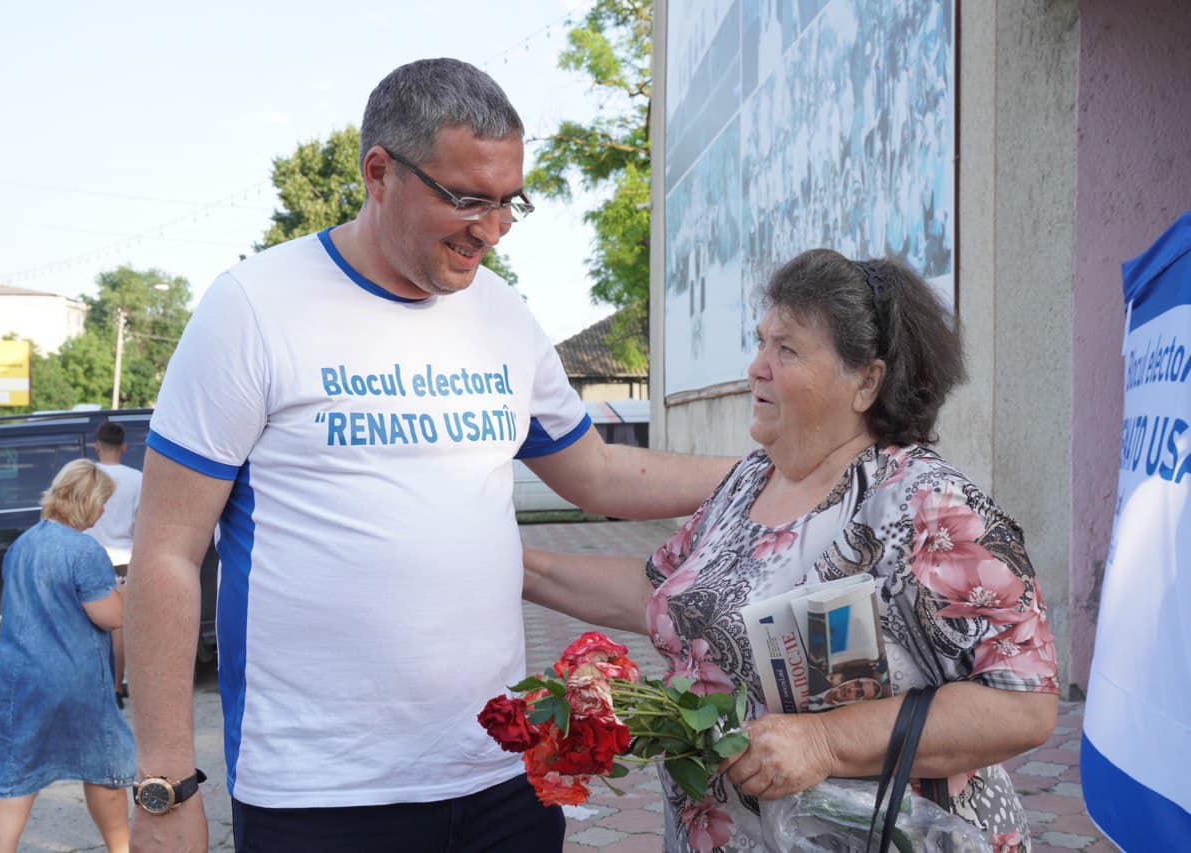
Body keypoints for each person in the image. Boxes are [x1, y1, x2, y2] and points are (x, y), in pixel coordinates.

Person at [125, 58, 733, 852]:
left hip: (503, 775)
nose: (492, 228)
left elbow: (599, 474)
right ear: (379, 172)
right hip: (321, 794)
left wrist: (770, 472)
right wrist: (165, 787)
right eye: (467, 199)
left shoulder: (503, 314)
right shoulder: (253, 308)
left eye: (509, 202)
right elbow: (166, 552)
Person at [524, 249, 1060, 852]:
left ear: (867, 381)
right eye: (761, 342)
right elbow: (662, 591)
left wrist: (826, 742)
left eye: (787, 349)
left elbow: (1022, 706)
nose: (757, 367)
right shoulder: (749, 481)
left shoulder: (928, 505)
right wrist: (518, 567)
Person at [0, 459, 135, 853]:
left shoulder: (22, 544)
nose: (103, 511)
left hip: (14, 679)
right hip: (72, 679)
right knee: (104, 768)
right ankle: (122, 849)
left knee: (14, 781)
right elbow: (110, 617)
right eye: (102, 502)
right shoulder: (85, 550)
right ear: (86, 501)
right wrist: (124, 592)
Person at [84, 420, 143, 702]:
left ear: (97, 446)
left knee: (87, 626)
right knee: (118, 627)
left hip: (87, 559)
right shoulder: (137, 479)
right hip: (123, 559)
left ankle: (95, 686)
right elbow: (142, 523)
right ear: (124, 448)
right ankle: (118, 687)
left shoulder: (87, 476)